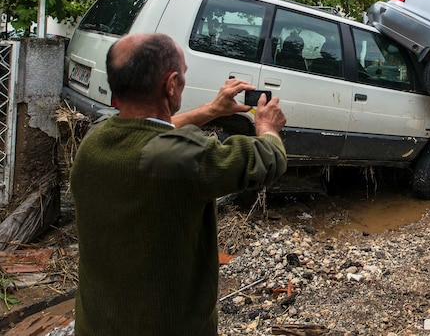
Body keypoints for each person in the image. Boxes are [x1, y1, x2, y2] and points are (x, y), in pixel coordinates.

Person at [70, 32, 288, 336]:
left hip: (96, 324)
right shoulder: (178, 155)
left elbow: (150, 126)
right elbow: (267, 160)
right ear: (171, 84)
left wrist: (211, 110)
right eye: (183, 74)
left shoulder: (96, 137)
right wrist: (267, 126)